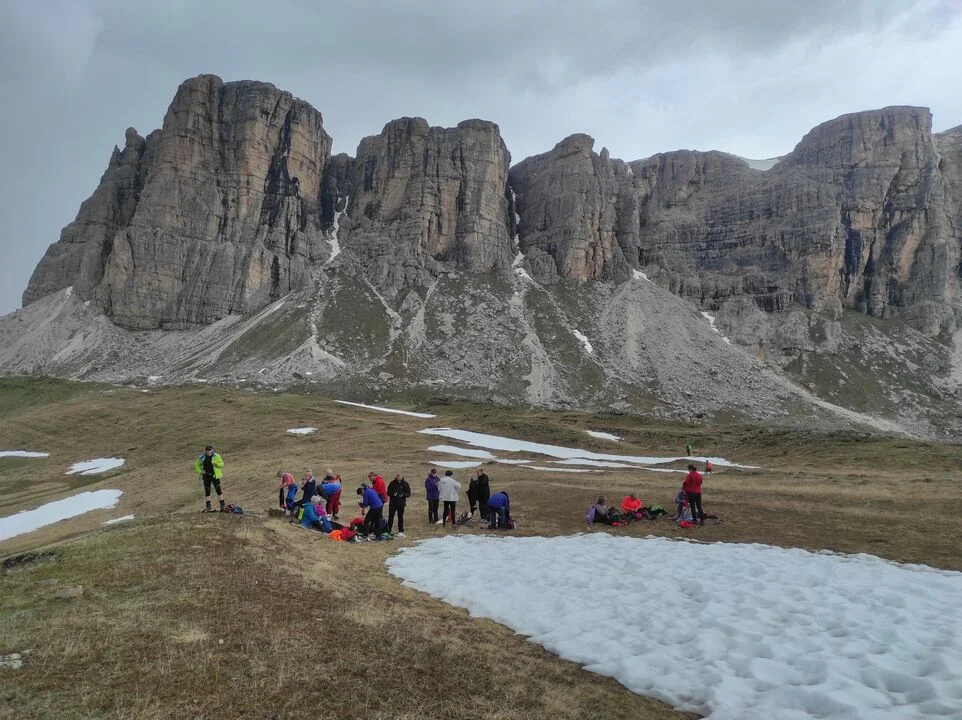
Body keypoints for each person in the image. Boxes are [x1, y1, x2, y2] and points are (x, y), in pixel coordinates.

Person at [194, 445, 226, 512]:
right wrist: (201, 471)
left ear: (212, 450)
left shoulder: (216, 456)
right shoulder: (202, 457)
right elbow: (196, 466)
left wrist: (216, 464)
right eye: (207, 451)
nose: (208, 452)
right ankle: (208, 507)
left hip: (215, 476)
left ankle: (222, 505)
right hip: (206, 476)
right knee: (207, 491)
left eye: (210, 451)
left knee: (218, 490)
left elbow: (222, 464)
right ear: (205, 451)